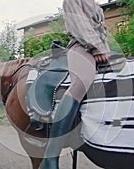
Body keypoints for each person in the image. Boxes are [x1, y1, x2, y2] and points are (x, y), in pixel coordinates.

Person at [39, 0, 114, 168]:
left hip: (103, 48)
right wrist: (96, 48)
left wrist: (105, 49)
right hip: (81, 46)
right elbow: (79, 24)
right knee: (81, 82)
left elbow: (103, 31)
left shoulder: (96, 5)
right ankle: (51, 156)